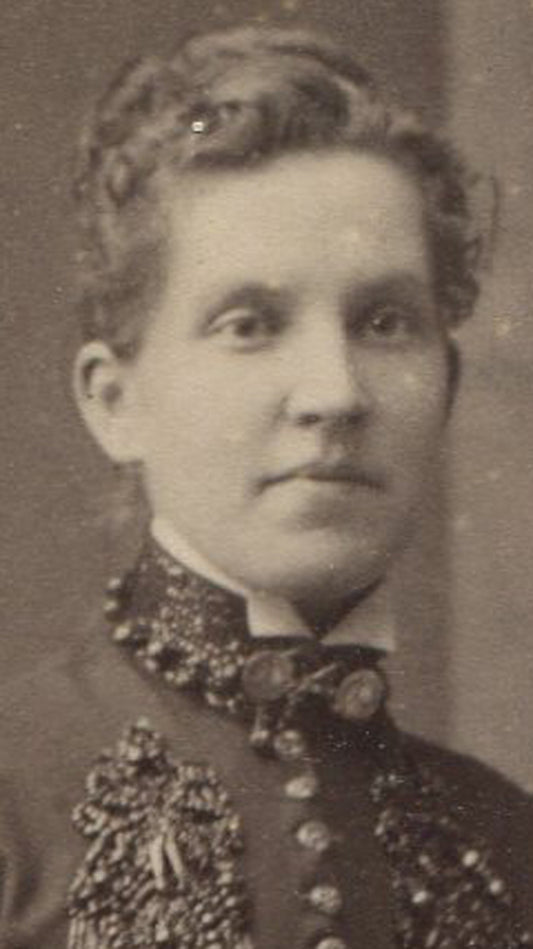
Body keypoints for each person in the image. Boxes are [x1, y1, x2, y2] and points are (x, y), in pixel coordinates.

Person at [0, 22, 532, 949]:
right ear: (114, 400)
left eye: (384, 321)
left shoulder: (504, 840)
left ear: (444, 384)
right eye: (248, 323)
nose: (334, 392)